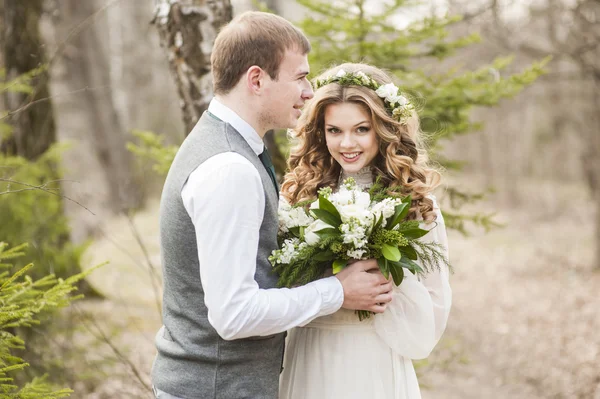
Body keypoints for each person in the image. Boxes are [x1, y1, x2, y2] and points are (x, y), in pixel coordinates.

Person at [151, 13, 394, 399]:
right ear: (257, 79)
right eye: (299, 77)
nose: (309, 91)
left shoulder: (231, 147)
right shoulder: (230, 168)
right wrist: (337, 292)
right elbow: (234, 315)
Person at [279, 63, 453, 399]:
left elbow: (436, 299)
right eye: (334, 130)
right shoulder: (298, 195)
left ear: (383, 129)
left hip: (373, 357)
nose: (347, 143)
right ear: (319, 131)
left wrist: (383, 291)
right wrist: (332, 288)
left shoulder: (415, 202)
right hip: (310, 352)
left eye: (361, 129)